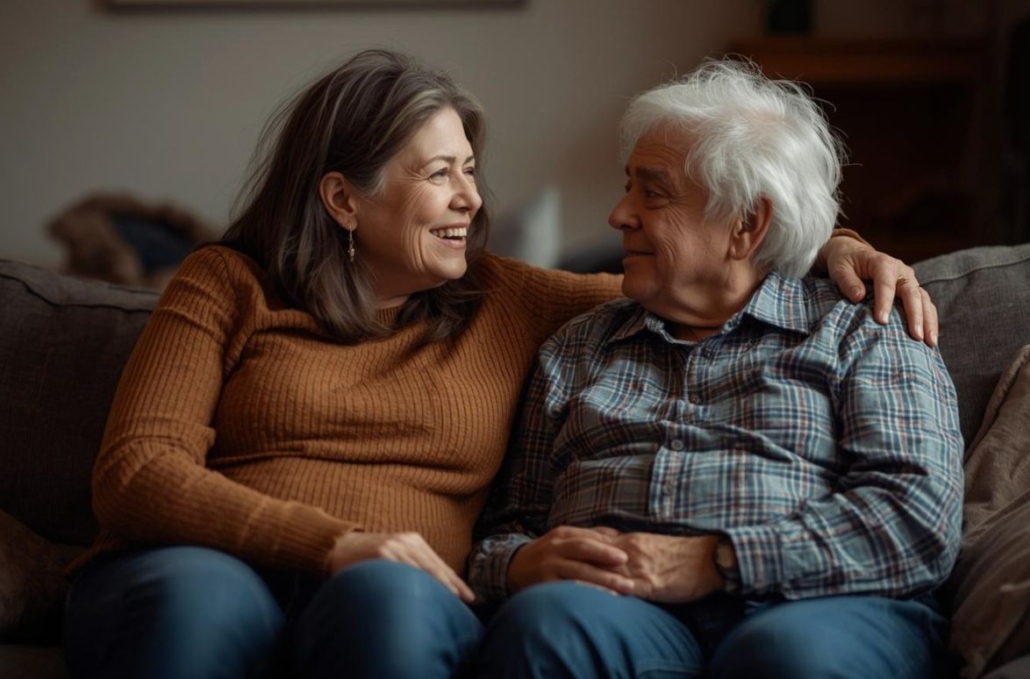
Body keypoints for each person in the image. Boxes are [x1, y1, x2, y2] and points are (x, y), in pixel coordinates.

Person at [64, 49, 940, 679]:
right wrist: (333, 543)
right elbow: (136, 470)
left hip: (400, 589)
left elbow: (712, 279)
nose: (472, 199)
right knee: (200, 600)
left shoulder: (509, 299)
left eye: (471, 170)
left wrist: (832, 244)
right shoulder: (228, 281)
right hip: (211, 562)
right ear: (342, 198)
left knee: (388, 602)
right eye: (439, 174)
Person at [468, 58, 963, 679]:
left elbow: (916, 520)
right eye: (627, 187)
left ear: (746, 224)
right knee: (547, 627)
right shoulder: (577, 348)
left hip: (822, 609)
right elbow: (504, 528)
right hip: (619, 613)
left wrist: (716, 561)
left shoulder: (865, 328)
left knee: (785, 657)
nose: (618, 215)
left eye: (651, 193)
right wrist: (518, 564)